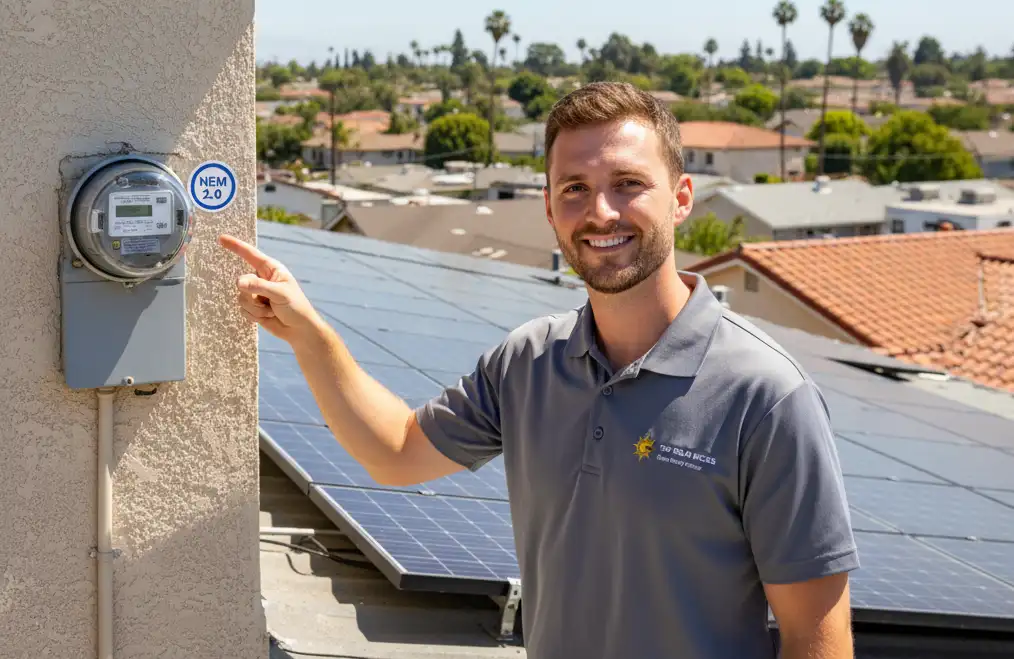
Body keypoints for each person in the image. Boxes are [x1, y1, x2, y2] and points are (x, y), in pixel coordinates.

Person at [221, 81, 858, 659]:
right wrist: (309, 335)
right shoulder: (529, 362)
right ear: (551, 210)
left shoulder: (766, 396)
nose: (601, 212)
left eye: (628, 183)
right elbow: (396, 452)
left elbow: (816, 640)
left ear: (682, 197)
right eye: (575, 189)